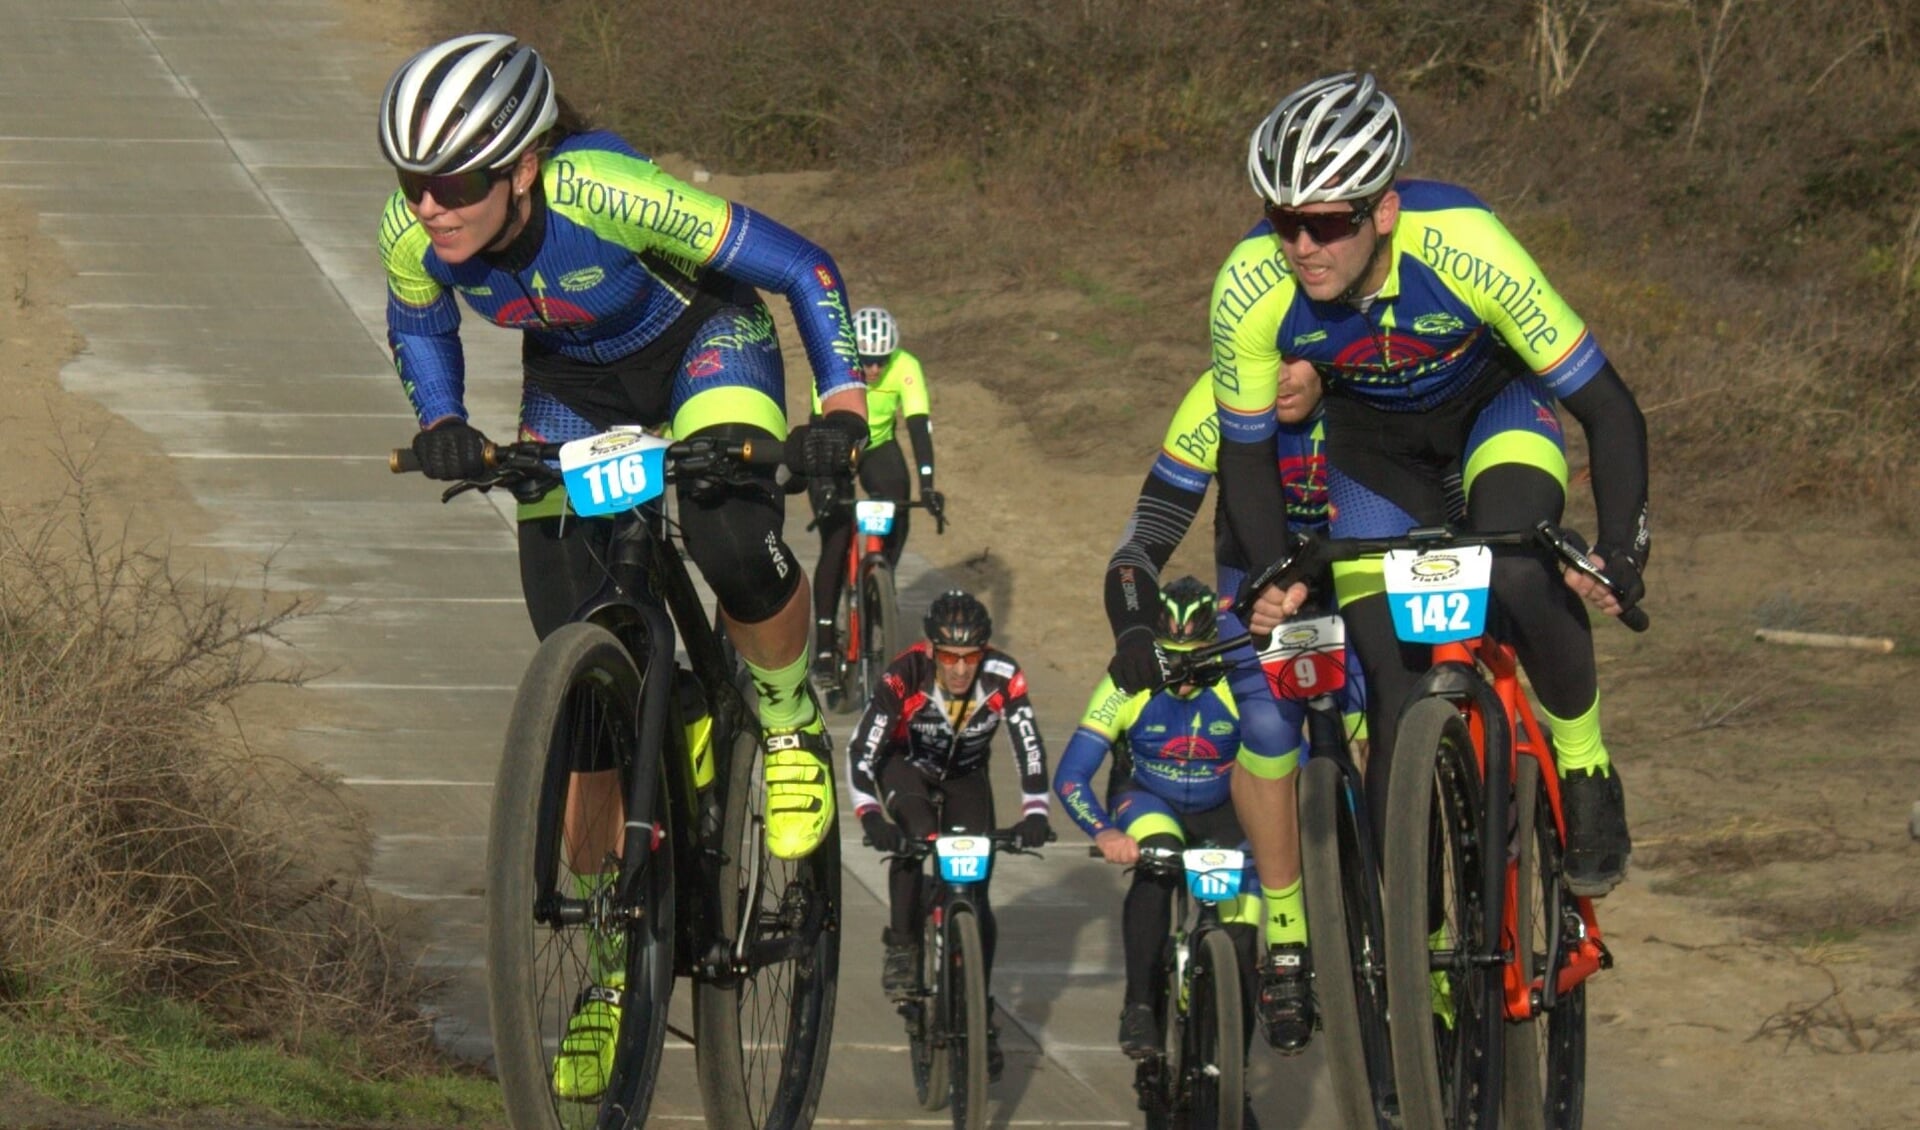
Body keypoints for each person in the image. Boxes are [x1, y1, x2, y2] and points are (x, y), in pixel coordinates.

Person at [376, 34, 863, 1098]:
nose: (427, 207)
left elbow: (800, 266)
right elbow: (417, 324)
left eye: (453, 183)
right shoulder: (417, 233)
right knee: (582, 683)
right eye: (411, 182)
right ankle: (611, 964)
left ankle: (783, 717)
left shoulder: (605, 190)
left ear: (524, 165)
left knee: (730, 531)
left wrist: (842, 408)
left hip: (704, 344)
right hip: (576, 390)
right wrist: (446, 419)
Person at [1211, 72, 1649, 897]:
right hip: (1375, 454)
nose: (1302, 246)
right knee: (1394, 690)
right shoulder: (1249, 286)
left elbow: (1610, 408)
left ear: (1382, 211)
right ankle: (1418, 939)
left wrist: (1624, 545)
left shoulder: (1467, 243)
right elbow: (1245, 454)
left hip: (1496, 414)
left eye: (1327, 222)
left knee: (1518, 568)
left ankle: (1586, 769)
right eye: (1282, 220)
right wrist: (1274, 578)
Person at [1055, 577, 1270, 1123]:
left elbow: (1285, 767)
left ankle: (1233, 1074)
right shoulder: (1129, 683)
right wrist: (1106, 833)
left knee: (1243, 934)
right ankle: (1141, 1005)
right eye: (1168, 659)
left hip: (1225, 808)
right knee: (1155, 862)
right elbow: (1072, 777)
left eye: (1192, 660)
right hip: (1148, 799)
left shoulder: (1238, 683)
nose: (1179, 675)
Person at [845, 590, 1052, 1082]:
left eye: (971, 657)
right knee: (915, 836)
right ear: (932, 650)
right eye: (950, 658)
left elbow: (1030, 746)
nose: (961, 670)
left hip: (965, 778)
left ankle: (979, 1013)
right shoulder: (903, 675)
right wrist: (872, 815)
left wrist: (1036, 813)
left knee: (976, 893)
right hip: (907, 769)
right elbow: (861, 751)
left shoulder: (1004, 676)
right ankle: (901, 943)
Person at [807, 306, 945, 683]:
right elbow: (818, 427)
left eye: (881, 361)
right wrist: (823, 488)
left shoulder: (906, 366)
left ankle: (878, 578)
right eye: (867, 361)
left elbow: (918, 426)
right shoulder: (833, 364)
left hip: (878, 445)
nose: (873, 370)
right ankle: (822, 644)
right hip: (835, 443)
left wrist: (929, 484)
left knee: (899, 502)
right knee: (835, 538)